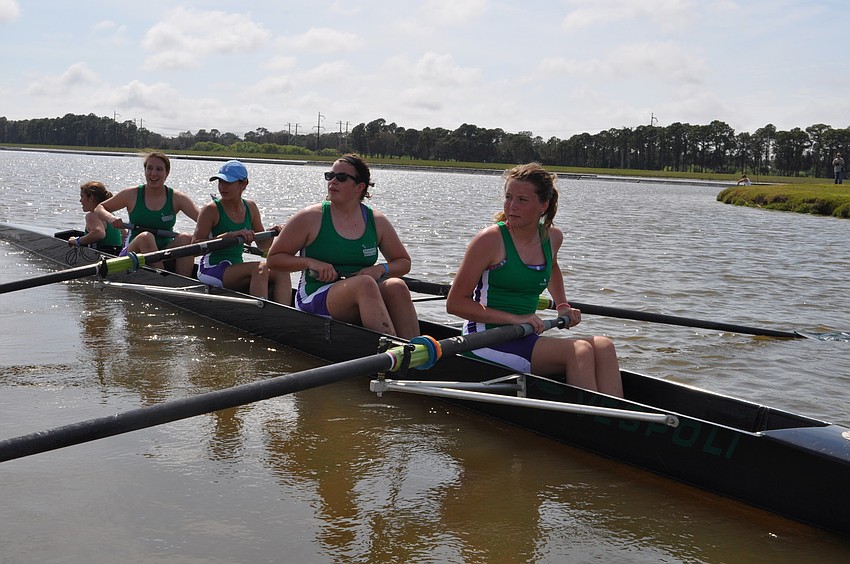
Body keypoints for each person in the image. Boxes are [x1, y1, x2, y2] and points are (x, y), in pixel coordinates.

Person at [446, 163, 623, 397]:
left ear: (543, 205)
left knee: (604, 346)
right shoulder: (489, 240)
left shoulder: (552, 238)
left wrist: (562, 305)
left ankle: (615, 413)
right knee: (579, 350)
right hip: (484, 339)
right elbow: (455, 304)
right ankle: (588, 416)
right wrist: (515, 319)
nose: (512, 206)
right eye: (508, 197)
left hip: (524, 334)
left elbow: (553, 267)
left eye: (522, 200)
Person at [267, 154, 419, 339]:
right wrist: (309, 263)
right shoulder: (310, 217)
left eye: (341, 177)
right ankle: (392, 348)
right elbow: (273, 259)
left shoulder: (377, 221)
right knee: (365, 284)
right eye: (330, 176)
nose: (332, 181)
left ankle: (415, 348)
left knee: (397, 286)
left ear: (359, 187)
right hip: (315, 294)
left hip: (361, 289)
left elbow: (403, 262)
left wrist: (380, 269)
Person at [193, 160, 291, 303]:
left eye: (228, 183)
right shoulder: (211, 209)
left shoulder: (251, 207)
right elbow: (195, 246)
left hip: (235, 267)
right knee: (260, 268)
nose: (222, 187)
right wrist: (228, 236)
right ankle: (260, 313)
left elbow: (263, 246)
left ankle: (284, 313)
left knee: (282, 270)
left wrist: (273, 232)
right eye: (220, 182)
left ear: (243, 184)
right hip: (211, 268)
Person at [94, 152, 200, 276]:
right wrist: (110, 217)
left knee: (186, 238)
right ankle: (164, 281)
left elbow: (203, 220)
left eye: (159, 169)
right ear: (145, 171)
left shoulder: (177, 198)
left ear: (167, 173)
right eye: (149, 168)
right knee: (146, 237)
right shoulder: (132, 194)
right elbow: (99, 208)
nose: (153, 173)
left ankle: (182, 282)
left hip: (164, 252)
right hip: (134, 252)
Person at [68, 181, 126, 255]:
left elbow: (99, 233)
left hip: (101, 256)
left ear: (91, 198)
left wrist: (77, 241)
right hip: (116, 255)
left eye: (82, 196)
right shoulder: (111, 215)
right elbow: (124, 234)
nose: (80, 200)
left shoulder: (92, 215)